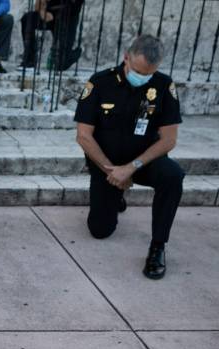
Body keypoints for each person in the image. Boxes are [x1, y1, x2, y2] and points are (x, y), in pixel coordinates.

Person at [75, 34, 183, 280]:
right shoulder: (100, 83)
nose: (142, 78)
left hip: (143, 162)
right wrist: (113, 171)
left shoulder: (164, 86)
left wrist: (131, 168)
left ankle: (158, 246)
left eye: (149, 73)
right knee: (100, 230)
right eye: (137, 71)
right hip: (107, 164)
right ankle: (116, 195)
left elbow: (169, 139)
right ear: (126, 57)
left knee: (173, 175)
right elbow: (83, 136)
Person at [19, 0, 83, 71]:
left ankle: (77, 52)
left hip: (68, 18)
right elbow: (38, 4)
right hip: (50, 14)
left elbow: (76, 6)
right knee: (27, 19)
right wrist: (42, 11)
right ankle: (30, 59)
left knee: (61, 65)